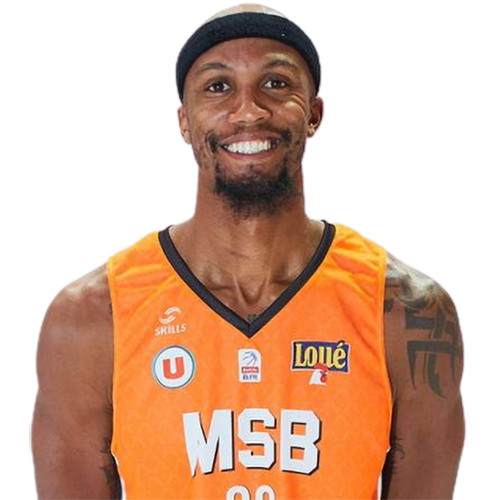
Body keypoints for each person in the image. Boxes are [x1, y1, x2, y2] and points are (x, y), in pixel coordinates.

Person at [31, 5, 465, 500]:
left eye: (276, 84)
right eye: (218, 87)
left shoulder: (406, 311)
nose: (249, 111)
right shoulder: (92, 317)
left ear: (314, 114)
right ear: (184, 122)